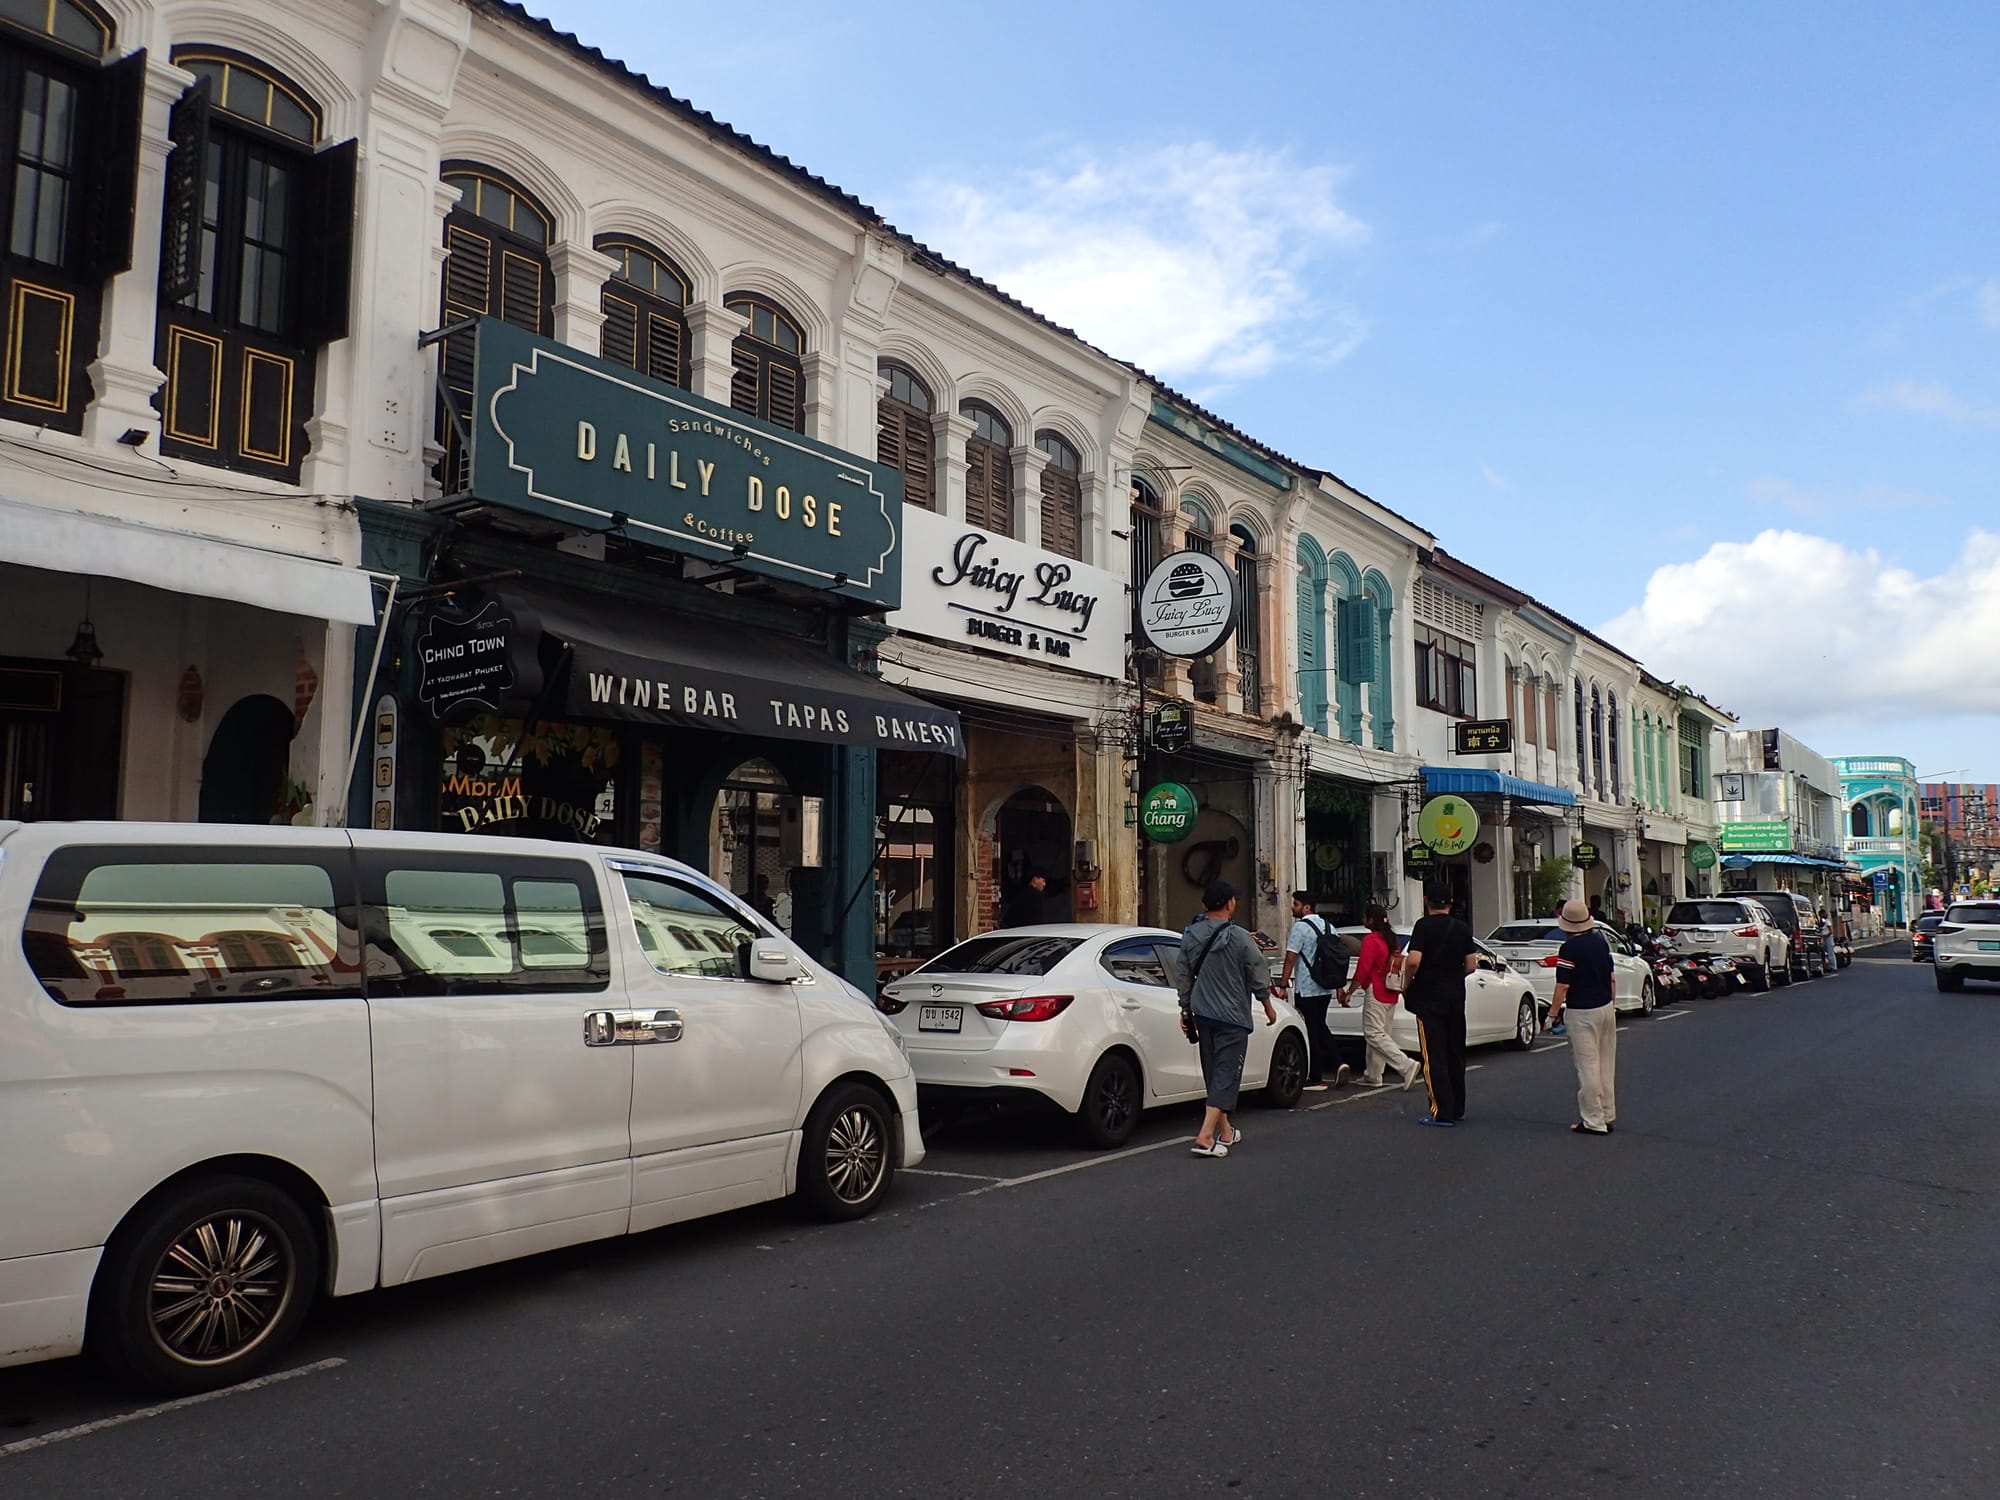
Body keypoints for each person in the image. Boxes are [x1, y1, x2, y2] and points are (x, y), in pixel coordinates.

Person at [1175, 880, 1276, 1158]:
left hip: (1203, 1014)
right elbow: (1257, 971)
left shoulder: (1190, 935)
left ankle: (1226, 1130)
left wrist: (1185, 1009)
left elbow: (1182, 975)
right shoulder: (1241, 937)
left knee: (1214, 1072)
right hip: (1232, 1016)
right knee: (1227, 1074)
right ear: (1230, 904)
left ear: (1205, 905)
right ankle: (1206, 1136)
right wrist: (1268, 1005)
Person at [1400, 881, 1478, 1127]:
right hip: (1455, 997)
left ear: (1426, 902)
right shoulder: (1462, 928)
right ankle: (1457, 1107)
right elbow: (1472, 964)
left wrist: (1406, 982)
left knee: (1434, 1056)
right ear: (1451, 903)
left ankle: (1441, 1110)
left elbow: (1413, 960)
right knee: (1455, 1052)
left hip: (1428, 998)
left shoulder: (1423, 927)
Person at [1547, 898, 1617, 1135]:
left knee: (1588, 1067)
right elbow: (1611, 977)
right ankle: (1607, 1113)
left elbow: (1563, 986)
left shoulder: (1569, 949)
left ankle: (1594, 1120)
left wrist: (1552, 1014)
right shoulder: (1600, 942)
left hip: (1582, 1011)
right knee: (1606, 1064)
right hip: (1605, 1007)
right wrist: (1611, 1001)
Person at [1343, 902, 1422, 1090]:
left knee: (1373, 1034)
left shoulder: (1371, 940)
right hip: (1390, 992)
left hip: (1376, 990)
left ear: (1370, 920)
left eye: (1365, 917)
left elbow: (1363, 968)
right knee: (1381, 1034)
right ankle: (1373, 1074)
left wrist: (1350, 991)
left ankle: (1406, 1065)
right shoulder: (1390, 939)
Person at [1276, 891, 1349, 1093]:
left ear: (1307, 907)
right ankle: (1337, 1063)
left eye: (1296, 904)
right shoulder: (1329, 927)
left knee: (1311, 1030)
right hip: (1325, 987)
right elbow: (1335, 962)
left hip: (1307, 988)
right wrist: (1339, 988)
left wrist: (1283, 985)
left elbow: (1291, 957)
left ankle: (1317, 1076)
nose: (1293, 907)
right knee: (1319, 1026)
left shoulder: (1300, 928)